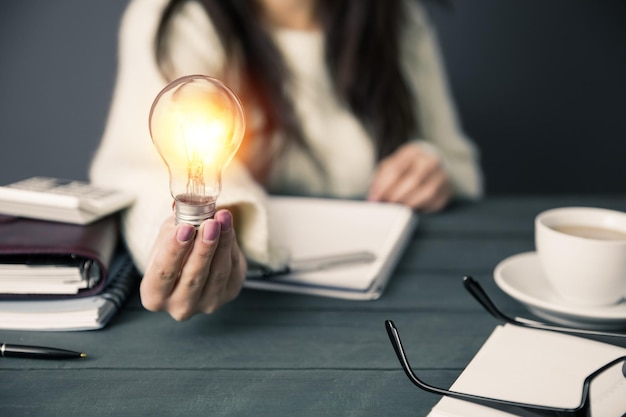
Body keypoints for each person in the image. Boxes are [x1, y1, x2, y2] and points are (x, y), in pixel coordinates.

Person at [89, 0, 483, 320]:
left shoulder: (397, 17)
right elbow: (139, 170)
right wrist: (192, 234)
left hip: (383, 298)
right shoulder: (175, 18)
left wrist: (432, 167)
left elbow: (457, 162)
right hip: (256, 304)